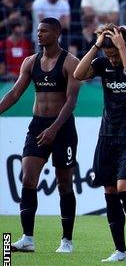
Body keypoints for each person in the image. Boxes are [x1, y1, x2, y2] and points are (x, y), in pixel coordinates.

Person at [0, 17, 80, 253]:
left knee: (64, 183)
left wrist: (54, 128)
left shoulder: (71, 62)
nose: (39, 35)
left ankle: (67, 240)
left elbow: (72, 102)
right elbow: (14, 93)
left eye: (44, 31)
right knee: (27, 178)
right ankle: (27, 239)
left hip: (62, 128)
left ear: (57, 33)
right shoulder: (30, 62)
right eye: (38, 31)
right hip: (37, 126)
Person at [73, 23, 126, 262]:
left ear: (124, 47)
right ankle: (120, 250)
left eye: (114, 54)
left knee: (124, 187)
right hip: (107, 134)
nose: (112, 59)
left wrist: (121, 48)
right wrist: (97, 46)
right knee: (109, 190)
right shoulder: (102, 62)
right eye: (108, 55)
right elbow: (78, 74)